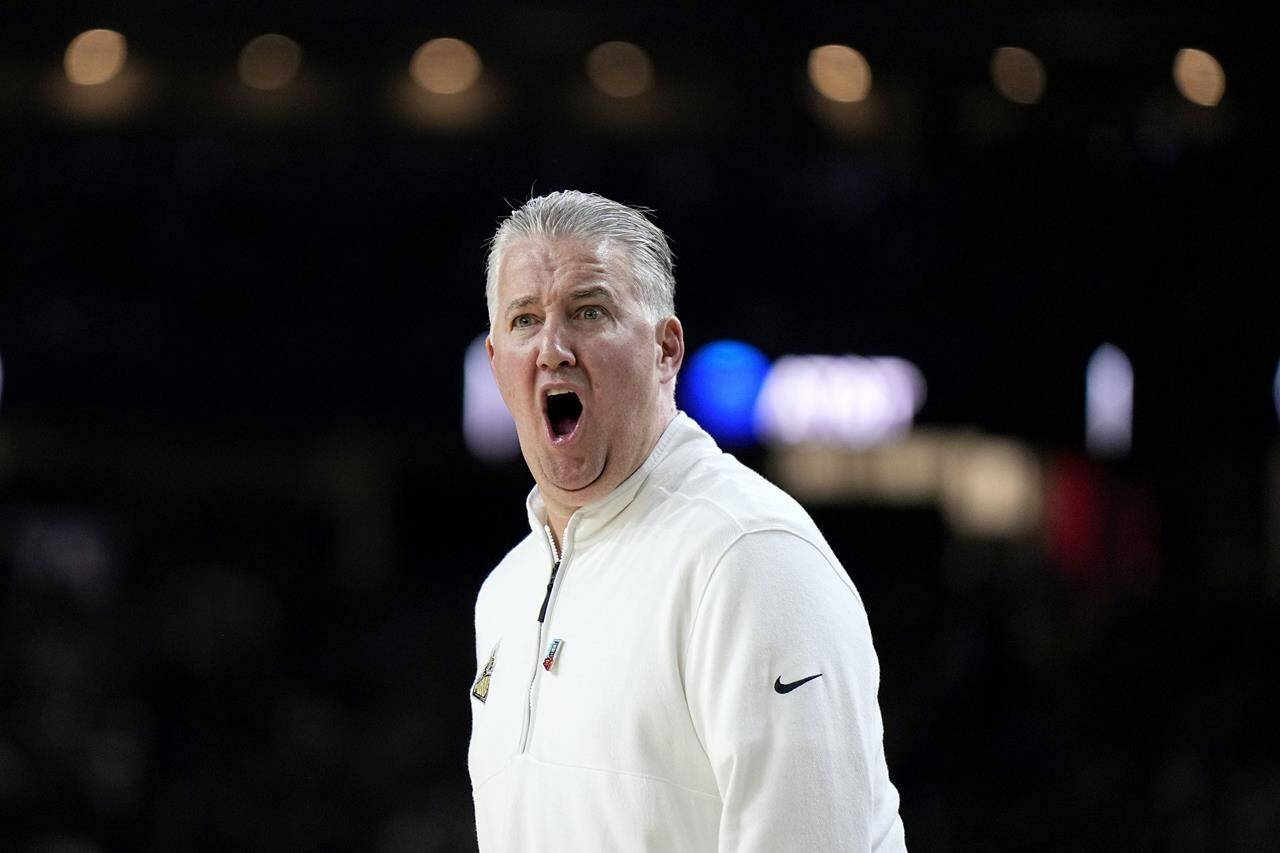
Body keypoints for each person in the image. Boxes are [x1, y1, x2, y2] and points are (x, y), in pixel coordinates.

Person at [469, 190, 907, 851]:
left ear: (666, 350)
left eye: (589, 311)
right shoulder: (505, 591)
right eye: (525, 320)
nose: (553, 347)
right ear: (499, 362)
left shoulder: (749, 555)